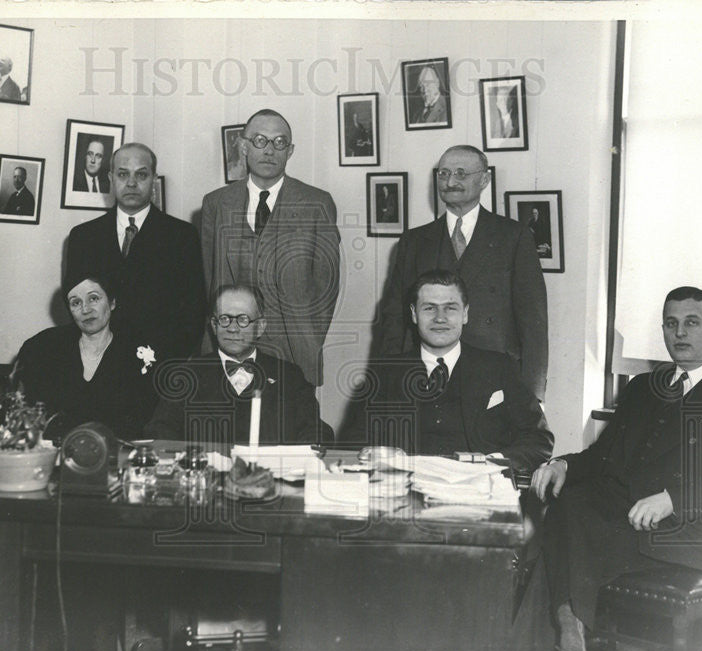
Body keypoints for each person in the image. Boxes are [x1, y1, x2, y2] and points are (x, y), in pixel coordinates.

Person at [531, 287, 702, 651]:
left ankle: (567, 642)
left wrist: (673, 498)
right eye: (671, 324)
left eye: (692, 322)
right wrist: (563, 466)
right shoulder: (643, 388)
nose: (680, 333)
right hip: (619, 517)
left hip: (685, 532)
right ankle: (571, 638)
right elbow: (601, 457)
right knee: (563, 500)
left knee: (566, 529)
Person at [374, 144, 549, 401]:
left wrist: (533, 396)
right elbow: (394, 319)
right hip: (425, 377)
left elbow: (534, 321)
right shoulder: (414, 240)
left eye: (461, 173)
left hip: (493, 378)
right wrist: (388, 383)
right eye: (443, 174)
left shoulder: (512, 236)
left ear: (485, 179)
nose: (450, 181)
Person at [341, 270, 552, 472]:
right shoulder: (384, 374)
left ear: (465, 314)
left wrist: (492, 464)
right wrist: (377, 456)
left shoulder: (499, 368)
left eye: (450, 308)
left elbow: (538, 439)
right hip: (405, 491)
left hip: (478, 491)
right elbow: (352, 442)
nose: (440, 318)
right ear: (414, 314)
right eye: (429, 308)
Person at [201, 109, 341, 386]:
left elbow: (327, 287)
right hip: (229, 347)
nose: (269, 150)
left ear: (290, 151)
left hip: (294, 351)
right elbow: (209, 277)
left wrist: (307, 340)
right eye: (260, 141)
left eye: (279, 143)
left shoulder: (317, 204)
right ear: (243, 146)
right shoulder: (216, 203)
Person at [65, 142, 206, 365]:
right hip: (97, 365)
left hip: (158, 368)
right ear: (111, 177)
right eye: (123, 174)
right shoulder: (83, 237)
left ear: (153, 179)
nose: (131, 183)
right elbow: (73, 306)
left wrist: (167, 362)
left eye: (141, 175)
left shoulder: (182, 235)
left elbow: (194, 311)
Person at [145, 283, 333, 445]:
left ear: (260, 327)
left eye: (243, 319)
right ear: (214, 325)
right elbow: (160, 432)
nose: (233, 328)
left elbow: (316, 432)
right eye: (225, 319)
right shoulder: (185, 375)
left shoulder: (289, 376)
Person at [12, 270, 156, 440]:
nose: (85, 309)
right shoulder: (43, 348)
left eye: (93, 298)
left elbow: (143, 421)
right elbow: (28, 415)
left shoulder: (138, 353)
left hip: (118, 454)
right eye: (76, 303)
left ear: (112, 303)